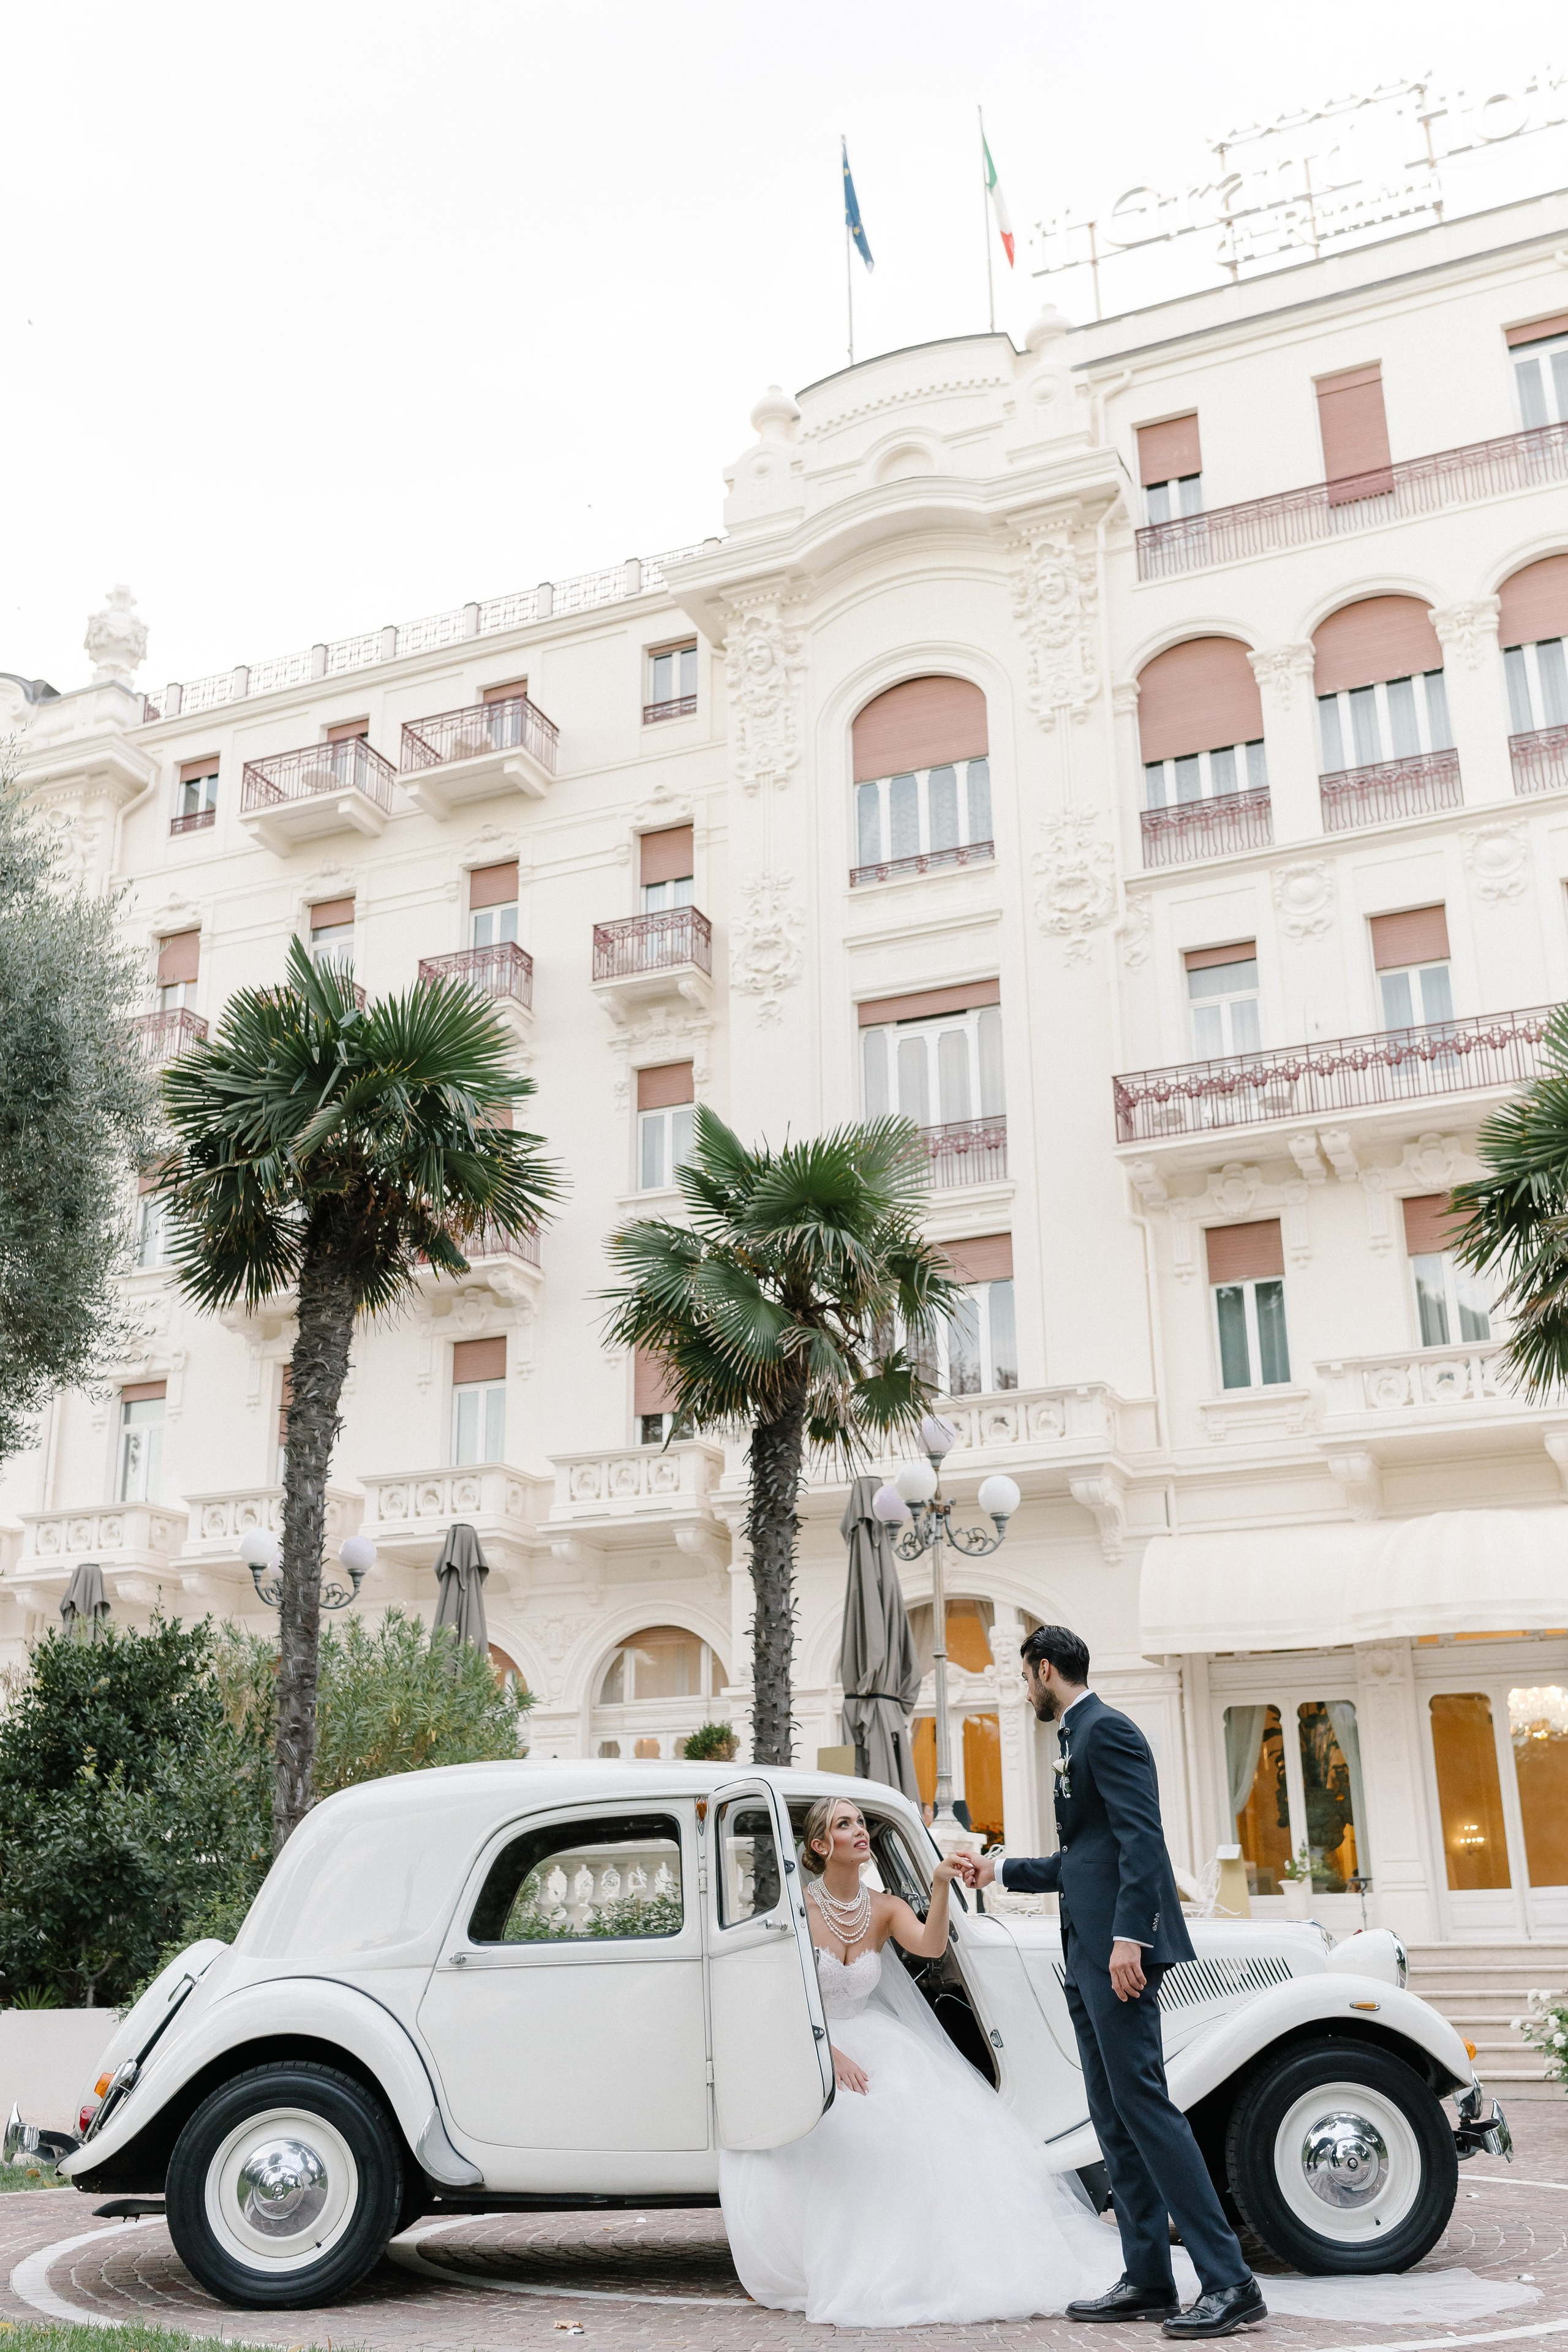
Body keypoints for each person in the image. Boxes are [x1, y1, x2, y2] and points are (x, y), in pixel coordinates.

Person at [960, 1624, 1265, 2340]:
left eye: (1022, 1676)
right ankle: (1148, 2279)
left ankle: (1230, 2282)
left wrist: (1131, 1937)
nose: (1022, 1689)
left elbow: (1141, 1838)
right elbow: (1084, 1859)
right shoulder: (1073, 1737)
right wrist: (997, 1871)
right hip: (1086, 1952)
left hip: (1117, 1954)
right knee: (1112, 2115)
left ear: (1043, 1669)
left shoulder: (1107, 1732)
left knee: (1147, 2108)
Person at [718, 1792, 1123, 2327]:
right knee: (852, 2123)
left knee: (916, 2118)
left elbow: (931, 1948)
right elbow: (775, 1995)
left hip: (874, 2038)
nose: (860, 1831)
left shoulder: (884, 1908)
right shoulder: (796, 1909)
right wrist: (825, 2051)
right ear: (820, 1845)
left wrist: (937, 1884)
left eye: (862, 1822)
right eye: (845, 1825)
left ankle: (931, 2261)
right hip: (810, 2045)